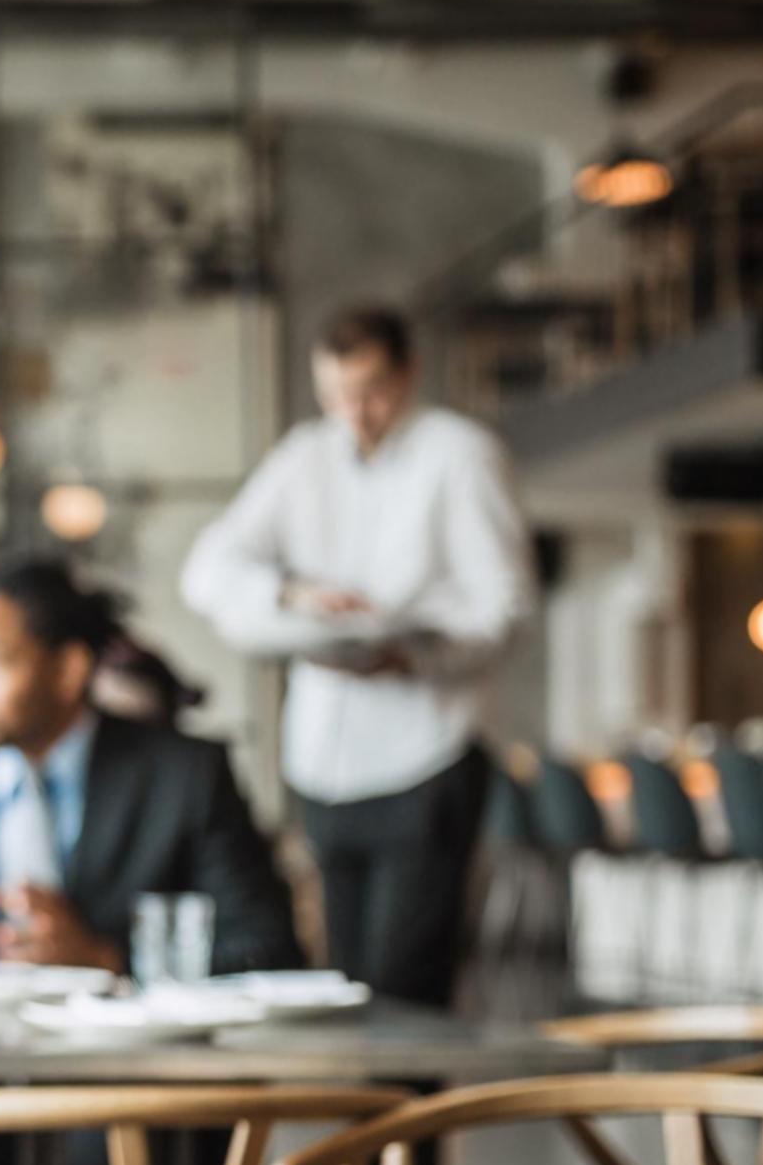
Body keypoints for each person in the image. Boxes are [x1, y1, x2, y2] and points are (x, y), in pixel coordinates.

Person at [181, 303, 532, 1014]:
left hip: (429, 754)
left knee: (407, 984)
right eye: (337, 394)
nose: (356, 414)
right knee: (342, 984)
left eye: (371, 392)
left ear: (408, 374)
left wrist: (416, 655)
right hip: (324, 765)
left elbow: (507, 607)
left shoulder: (461, 455)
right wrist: (292, 591)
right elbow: (207, 570)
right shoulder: (303, 457)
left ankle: (416, 1128)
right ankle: (374, 1128)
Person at [0, 555, 300, 995]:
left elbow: (270, 947)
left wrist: (105, 959)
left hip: (129, 1076)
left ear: (69, 670)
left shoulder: (185, 776)